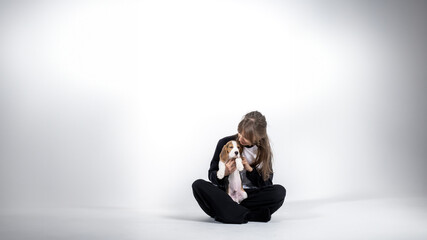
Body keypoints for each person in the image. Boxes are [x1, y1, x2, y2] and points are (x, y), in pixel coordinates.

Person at [192, 111, 286, 224]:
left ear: (257, 138)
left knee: (279, 192)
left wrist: (250, 170)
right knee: (198, 185)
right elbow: (211, 175)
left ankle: (228, 213)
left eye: (245, 137)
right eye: (240, 133)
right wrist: (225, 172)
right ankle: (251, 215)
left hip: (249, 196)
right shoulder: (226, 143)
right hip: (226, 194)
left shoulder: (263, 152)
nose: (240, 138)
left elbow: (267, 185)